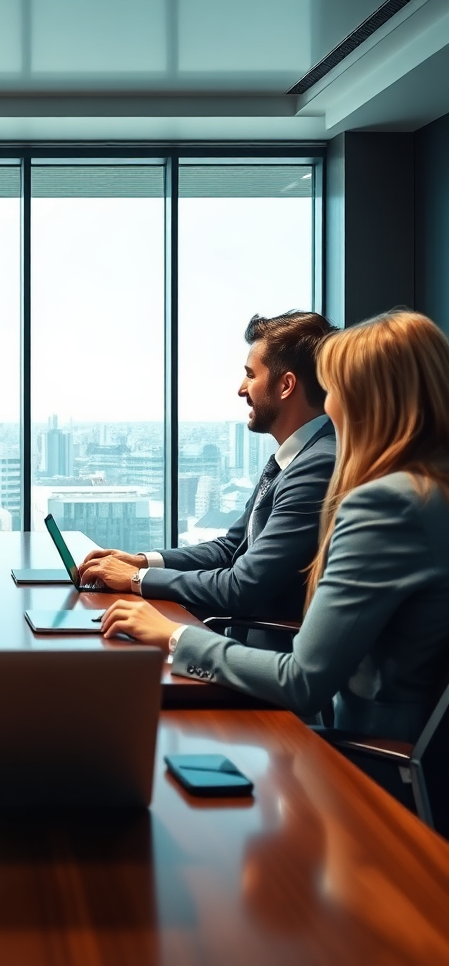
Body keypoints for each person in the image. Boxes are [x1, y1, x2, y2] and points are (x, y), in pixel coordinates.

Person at [101, 310, 449, 743]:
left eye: (335, 389)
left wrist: (174, 637)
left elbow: (301, 680)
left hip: (368, 763)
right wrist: (141, 567)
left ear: (367, 402)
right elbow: (234, 546)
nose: (328, 404)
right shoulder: (430, 489)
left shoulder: (385, 504)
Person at [80, 311, 337, 628]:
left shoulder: (317, 465)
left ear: (286, 386)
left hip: (266, 656)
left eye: (251, 375)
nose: (242, 389)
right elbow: (232, 549)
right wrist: (142, 561)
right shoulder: (295, 457)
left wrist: (135, 578)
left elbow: (243, 586)